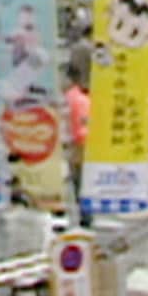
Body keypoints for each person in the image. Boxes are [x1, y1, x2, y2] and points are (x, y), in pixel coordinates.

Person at [64, 64, 91, 203]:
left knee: (78, 178)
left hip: (76, 141)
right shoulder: (83, 97)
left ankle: (83, 209)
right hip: (84, 139)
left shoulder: (70, 97)